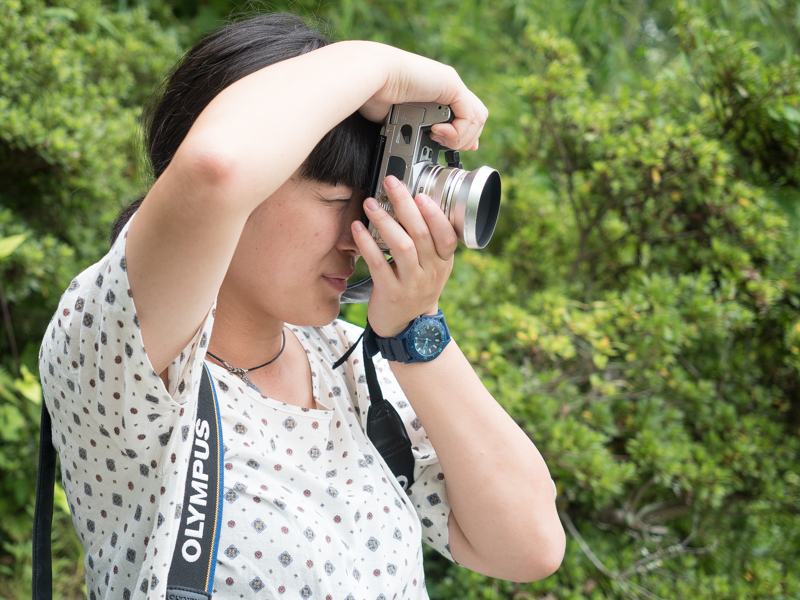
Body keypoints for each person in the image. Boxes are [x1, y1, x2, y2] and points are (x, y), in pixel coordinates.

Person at [39, 13, 564, 600]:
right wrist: (380, 65)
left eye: (365, 202)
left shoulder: (344, 360)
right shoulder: (125, 351)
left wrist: (417, 330)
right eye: (335, 199)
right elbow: (216, 166)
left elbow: (530, 544)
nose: (358, 231)